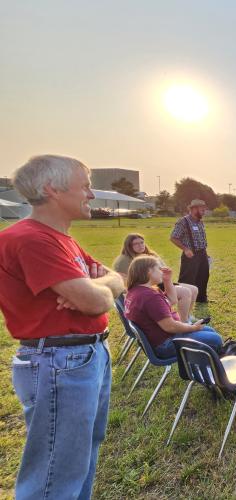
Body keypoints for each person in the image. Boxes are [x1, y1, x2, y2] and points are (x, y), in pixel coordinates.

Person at [0, 155, 125, 499]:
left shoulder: (63, 239)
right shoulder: (30, 239)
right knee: (55, 474)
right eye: (85, 186)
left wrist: (97, 286)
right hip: (60, 362)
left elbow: (118, 278)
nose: (91, 195)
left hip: (83, 356)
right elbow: (95, 302)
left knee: (79, 457)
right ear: (52, 189)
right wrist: (93, 291)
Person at [123, 256, 222, 358]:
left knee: (210, 331)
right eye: (159, 269)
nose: (161, 272)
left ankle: (211, 361)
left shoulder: (135, 291)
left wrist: (167, 280)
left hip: (162, 339)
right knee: (215, 339)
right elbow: (170, 327)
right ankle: (211, 365)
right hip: (165, 344)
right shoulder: (149, 297)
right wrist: (192, 328)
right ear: (149, 271)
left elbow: (172, 300)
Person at [113, 233, 199, 321]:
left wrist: (164, 274)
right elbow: (122, 281)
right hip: (148, 288)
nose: (140, 245)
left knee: (194, 289)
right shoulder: (124, 260)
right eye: (136, 244)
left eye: (142, 242)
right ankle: (184, 322)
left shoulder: (151, 254)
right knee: (185, 292)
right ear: (129, 246)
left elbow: (163, 269)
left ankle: (186, 316)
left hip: (161, 282)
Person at [170, 199, 211, 303]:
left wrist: (205, 253)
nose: (204, 212)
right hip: (190, 255)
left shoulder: (200, 222)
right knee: (187, 279)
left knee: (203, 276)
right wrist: (185, 249)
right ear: (194, 209)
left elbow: (201, 238)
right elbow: (173, 237)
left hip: (202, 253)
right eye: (202, 210)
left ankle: (201, 299)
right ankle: (183, 299)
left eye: (204, 210)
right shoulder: (183, 222)